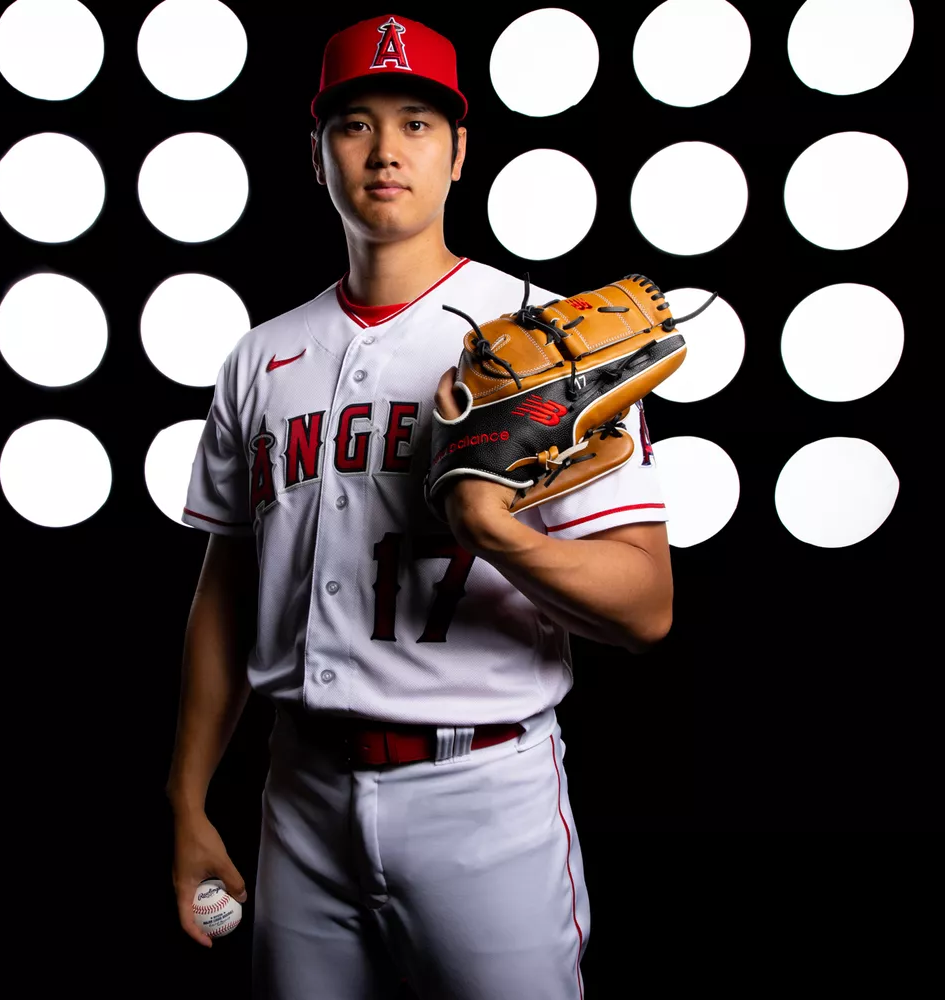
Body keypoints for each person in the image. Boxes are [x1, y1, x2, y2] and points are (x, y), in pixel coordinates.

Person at [166, 14, 674, 999]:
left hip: (482, 793)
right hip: (299, 792)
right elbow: (225, 592)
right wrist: (186, 798)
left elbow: (647, 605)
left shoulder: (549, 338)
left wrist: (493, 528)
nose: (386, 149)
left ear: (458, 152)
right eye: (353, 123)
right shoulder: (259, 357)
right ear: (318, 156)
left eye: (417, 122)